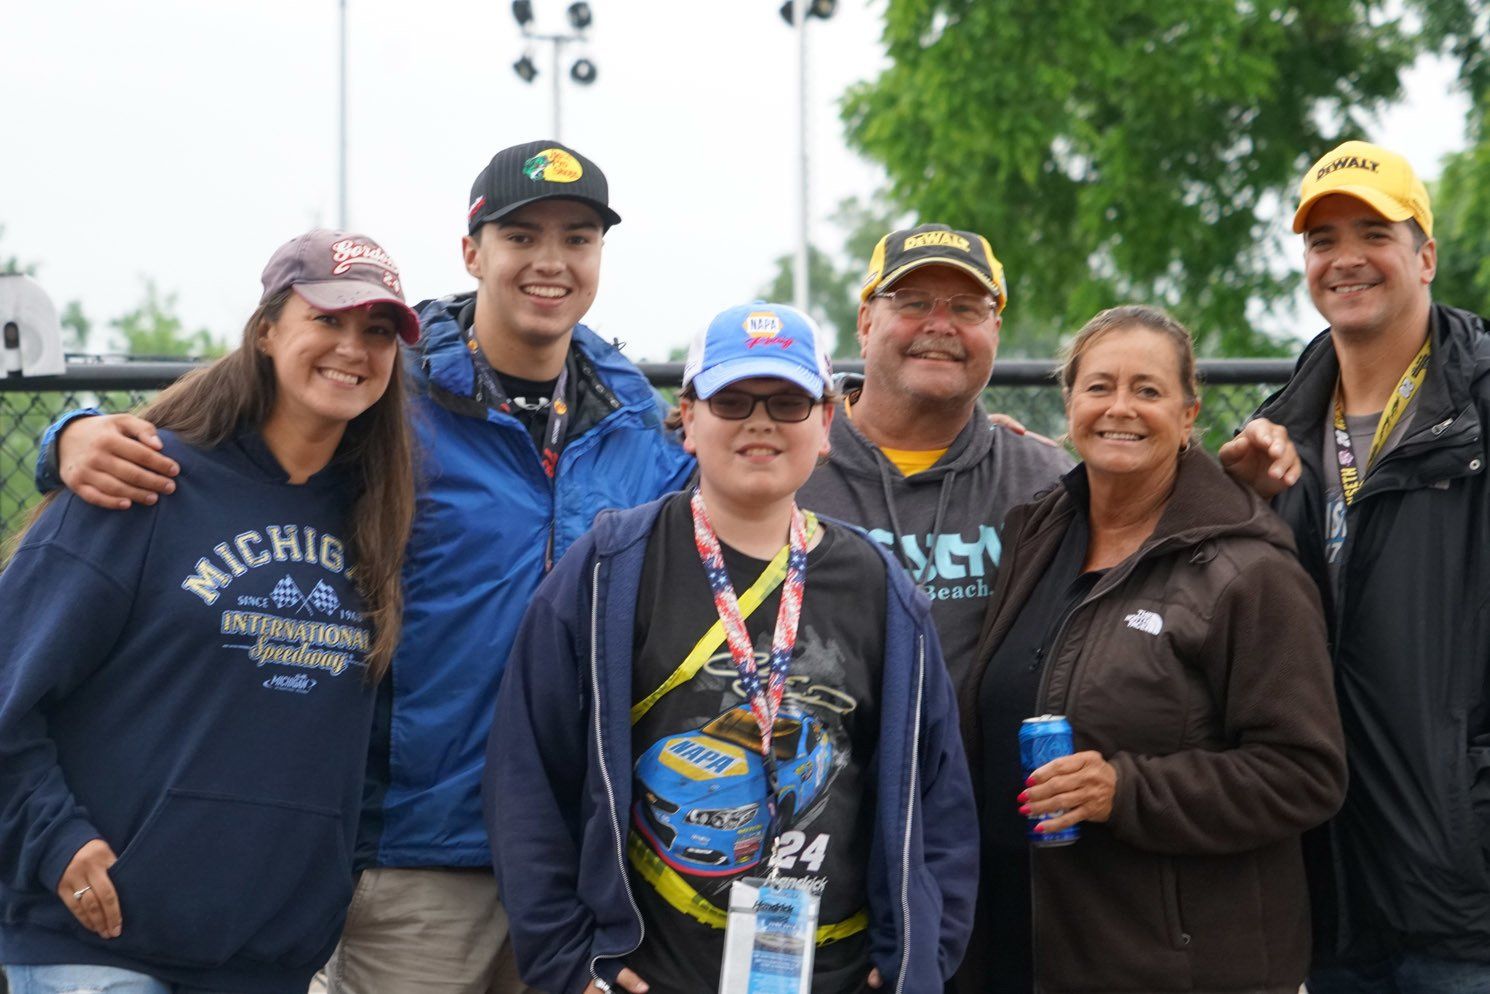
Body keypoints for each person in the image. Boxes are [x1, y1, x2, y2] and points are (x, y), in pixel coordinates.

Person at [34, 140, 693, 994]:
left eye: (577, 238)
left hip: (573, 866)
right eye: (522, 235)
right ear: (472, 251)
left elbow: (759, 491)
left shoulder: (634, 421)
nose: (550, 261)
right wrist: (73, 436)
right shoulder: (388, 386)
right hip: (412, 857)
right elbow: (236, 436)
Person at [485, 302, 977, 994]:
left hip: (833, 975)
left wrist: (914, 963)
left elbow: (941, 802)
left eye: (788, 402)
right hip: (650, 975)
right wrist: (570, 966)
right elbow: (528, 777)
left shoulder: (878, 585)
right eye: (732, 399)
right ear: (688, 418)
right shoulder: (613, 567)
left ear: (828, 423)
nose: (760, 422)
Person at [0, 228, 420, 994]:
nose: (354, 348)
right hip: (100, 945)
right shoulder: (142, 478)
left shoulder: (376, 517)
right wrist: (54, 841)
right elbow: (7, 690)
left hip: (264, 959)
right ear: (265, 331)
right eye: (327, 320)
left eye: (378, 331)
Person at [961, 305, 1346, 994]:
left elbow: (1305, 773)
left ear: (1190, 414)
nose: (1120, 409)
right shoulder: (1035, 531)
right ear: (1070, 401)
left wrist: (1127, 790)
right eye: (1100, 386)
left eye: (1148, 390)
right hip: (1024, 946)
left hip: (1177, 965)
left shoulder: (1248, 570)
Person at [798, 224, 1301, 694]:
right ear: (865, 322)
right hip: (818, 781)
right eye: (913, 302)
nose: (940, 324)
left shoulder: (1045, 480)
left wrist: (1244, 491)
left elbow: (1167, 550)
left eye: (968, 308)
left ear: (995, 328)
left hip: (989, 786)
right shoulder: (789, 469)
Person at [1248, 140, 1490, 992]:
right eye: (1321, 240)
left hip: (1465, 900)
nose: (1345, 257)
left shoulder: (1479, 409)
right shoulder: (1273, 434)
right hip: (1331, 894)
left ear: (1425, 255)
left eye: (1373, 232)